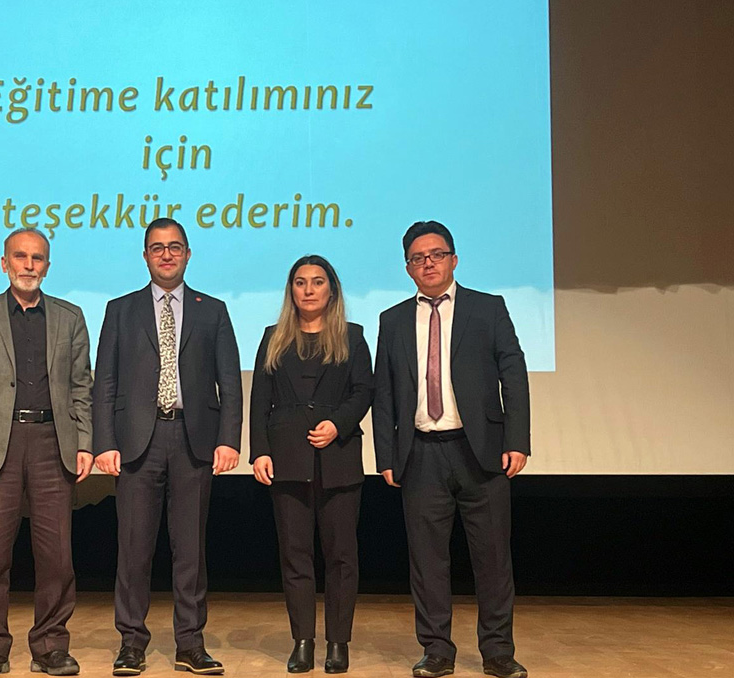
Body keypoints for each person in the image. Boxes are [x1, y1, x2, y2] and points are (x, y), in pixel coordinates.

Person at [372, 221, 531, 678]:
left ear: (454, 260)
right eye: (418, 258)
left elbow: (514, 375)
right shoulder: (392, 319)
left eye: (437, 255)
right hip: (420, 453)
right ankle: (437, 650)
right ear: (407, 268)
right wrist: (386, 455)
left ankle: (498, 651)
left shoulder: (488, 308)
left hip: (481, 451)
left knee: (492, 558)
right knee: (427, 561)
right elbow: (384, 393)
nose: (429, 263)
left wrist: (517, 440)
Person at [92, 218, 242, 676]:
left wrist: (229, 439)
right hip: (137, 441)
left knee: (190, 550)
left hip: (193, 440)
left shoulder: (212, 310)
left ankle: (190, 644)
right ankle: (131, 643)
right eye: (157, 248)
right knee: (133, 549)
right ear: (145, 256)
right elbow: (105, 382)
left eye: (175, 247)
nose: (167, 254)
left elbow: (230, 382)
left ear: (188, 254)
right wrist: (104, 442)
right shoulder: (120, 310)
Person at [0, 228, 94, 678]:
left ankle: (50, 645)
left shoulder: (70, 317)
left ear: (48, 265)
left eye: (38, 258)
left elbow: (82, 387)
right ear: (4, 263)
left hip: (53, 443)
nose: (29, 265)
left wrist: (85, 441)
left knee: (57, 556)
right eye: (20, 257)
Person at [249, 255, 374, 674]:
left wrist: (338, 424)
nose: (308, 290)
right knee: (295, 556)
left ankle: (338, 643)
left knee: (341, 557)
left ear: (331, 290)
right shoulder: (273, 338)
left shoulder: (352, 337)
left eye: (317, 282)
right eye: (300, 282)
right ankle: (302, 641)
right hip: (287, 459)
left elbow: (363, 391)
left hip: (338, 458)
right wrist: (259, 451)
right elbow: (259, 399)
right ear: (291, 290)